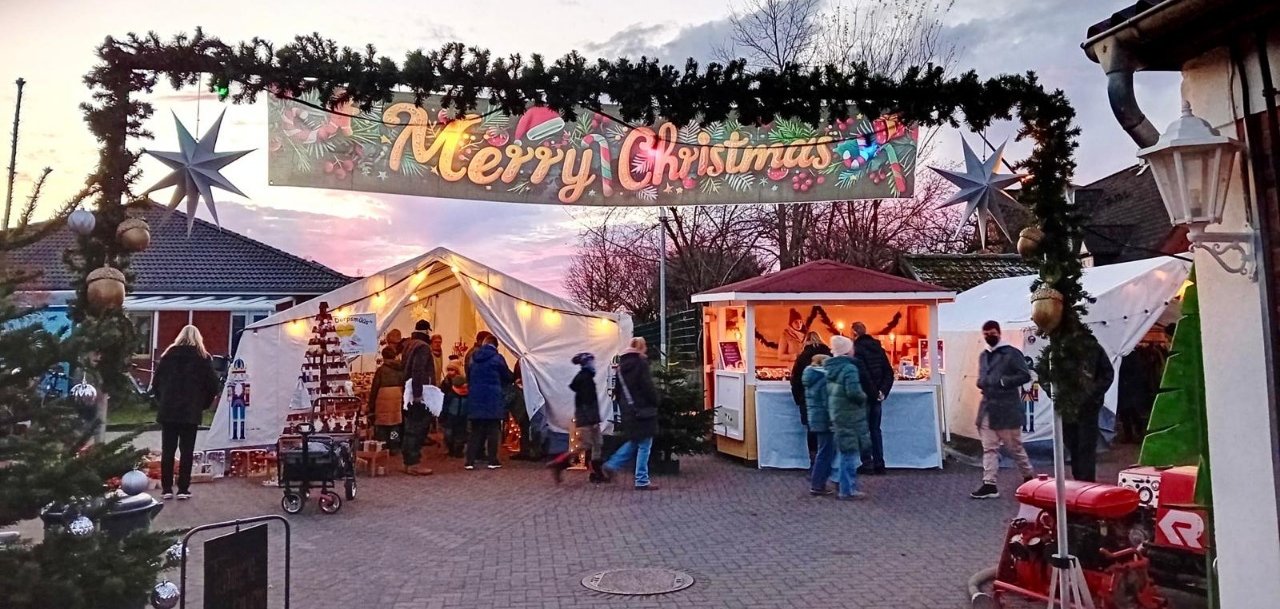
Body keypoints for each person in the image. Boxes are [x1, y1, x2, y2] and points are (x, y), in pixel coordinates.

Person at [151, 325, 219, 500]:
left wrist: (163, 401)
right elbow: (213, 385)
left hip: (168, 410)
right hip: (191, 411)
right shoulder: (203, 358)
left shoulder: (167, 357)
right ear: (198, 338)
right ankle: (183, 489)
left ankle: (166, 489)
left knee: (168, 450)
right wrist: (202, 404)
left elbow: (156, 384)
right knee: (187, 451)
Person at [971, 320, 1035, 499]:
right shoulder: (984, 355)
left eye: (992, 333)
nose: (989, 336)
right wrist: (981, 382)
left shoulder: (1012, 353)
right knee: (989, 448)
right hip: (988, 407)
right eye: (985, 333)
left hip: (1007, 408)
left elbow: (1024, 375)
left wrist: (1003, 382)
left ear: (999, 333)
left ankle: (1028, 476)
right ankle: (989, 483)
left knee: (1015, 447)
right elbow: (983, 375)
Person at [604, 337, 660, 490]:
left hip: (628, 410)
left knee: (636, 441)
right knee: (645, 444)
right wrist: (655, 401)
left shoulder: (621, 367)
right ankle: (641, 479)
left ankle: (612, 464)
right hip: (642, 410)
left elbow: (618, 391)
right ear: (642, 348)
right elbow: (647, 386)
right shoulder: (641, 364)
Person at [825, 336, 872, 500]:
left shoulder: (830, 368)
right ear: (847, 350)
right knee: (850, 452)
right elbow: (853, 392)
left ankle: (841, 483)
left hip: (837, 412)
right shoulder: (849, 369)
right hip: (849, 414)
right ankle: (848, 489)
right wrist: (864, 397)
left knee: (844, 450)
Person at [548, 352, 605, 483]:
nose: (594, 364)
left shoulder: (584, 378)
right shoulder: (586, 380)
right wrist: (593, 420)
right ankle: (559, 463)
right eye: (591, 362)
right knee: (587, 445)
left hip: (587, 417)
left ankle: (597, 473)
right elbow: (587, 402)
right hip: (587, 418)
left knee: (596, 444)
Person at [1063, 336, 1114, 482]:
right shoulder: (1059, 348)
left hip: (1088, 407)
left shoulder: (1093, 348)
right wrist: (1055, 394)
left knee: (1086, 446)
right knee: (1072, 444)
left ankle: (1086, 483)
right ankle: (1078, 478)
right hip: (1067, 406)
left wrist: (1092, 394)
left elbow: (1107, 374)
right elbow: (1044, 373)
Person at [852, 322, 894, 475]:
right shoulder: (879, 349)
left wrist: (872, 392)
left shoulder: (857, 350)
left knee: (863, 430)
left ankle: (867, 463)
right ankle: (879, 462)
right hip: (878, 397)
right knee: (875, 429)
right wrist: (882, 391)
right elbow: (888, 372)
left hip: (865, 395)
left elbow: (863, 375)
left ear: (854, 333)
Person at [466, 334, 513, 470]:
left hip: (476, 397)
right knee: (493, 430)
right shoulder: (497, 359)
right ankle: (493, 460)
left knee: (475, 431)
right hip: (493, 398)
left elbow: (469, 376)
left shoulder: (473, 358)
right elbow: (507, 376)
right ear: (495, 346)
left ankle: (469, 461)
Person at [400, 320, 436, 476]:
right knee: (418, 428)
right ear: (427, 331)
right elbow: (418, 369)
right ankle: (413, 463)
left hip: (408, 390)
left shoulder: (409, 344)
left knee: (410, 427)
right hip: (419, 393)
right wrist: (418, 393)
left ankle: (409, 461)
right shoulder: (423, 347)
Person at [789, 331, 831, 456]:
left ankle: (813, 459)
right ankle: (826, 458)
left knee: (811, 430)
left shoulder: (802, 357)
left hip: (808, 401)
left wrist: (798, 398)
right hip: (827, 400)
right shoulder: (829, 355)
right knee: (827, 431)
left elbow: (795, 380)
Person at [802, 354, 835, 495]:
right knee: (826, 452)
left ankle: (818, 483)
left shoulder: (811, 377)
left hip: (816, 418)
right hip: (824, 419)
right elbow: (827, 402)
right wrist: (832, 418)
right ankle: (817, 484)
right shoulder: (823, 379)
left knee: (823, 450)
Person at [367, 346, 405, 455]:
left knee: (382, 424)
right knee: (395, 424)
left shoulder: (381, 370)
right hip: (397, 396)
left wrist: (371, 404)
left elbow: (375, 388)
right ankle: (394, 445)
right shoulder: (400, 367)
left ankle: (383, 445)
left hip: (383, 397)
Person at [440, 358, 470, 458]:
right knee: (449, 433)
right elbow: (444, 403)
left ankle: (458, 450)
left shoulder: (464, 390)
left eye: (452, 370)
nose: (450, 372)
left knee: (460, 434)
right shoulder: (446, 385)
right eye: (449, 370)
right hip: (451, 415)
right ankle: (451, 448)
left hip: (460, 416)